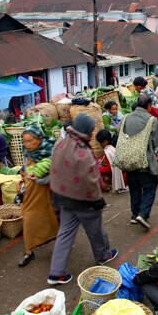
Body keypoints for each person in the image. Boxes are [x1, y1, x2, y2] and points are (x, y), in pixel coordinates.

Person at [48, 114, 117, 284]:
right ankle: (103, 255)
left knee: (65, 232)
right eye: (91, 130)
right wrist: (98, 198)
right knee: (95, 230)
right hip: (84, 202)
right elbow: (93, 181)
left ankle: (56, 273)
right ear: (86, 131)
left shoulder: (60, 143)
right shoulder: (84, 153)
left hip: (63, 197)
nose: (93, 134)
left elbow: (54, 168)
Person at [18, 125, 59, 267]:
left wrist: (40, 180)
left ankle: (57, 240)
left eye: (31, 141)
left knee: (50, 215)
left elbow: (57, 174)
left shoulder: (51, 150)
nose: (27, 145)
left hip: (48, 190)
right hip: (31, 191)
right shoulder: (27, 152)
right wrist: (24, 178)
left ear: (40, 138)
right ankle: (29, 250)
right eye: (25, 141)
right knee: (28, 216)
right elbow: (26, 168)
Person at [123, 95, 158, 229]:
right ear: (149, 106)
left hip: (128, 160)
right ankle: (143, 214)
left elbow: (119, 137)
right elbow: (156, 143)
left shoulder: (126, 118)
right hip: (145, 161)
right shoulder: (152, 120)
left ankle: (134, 215)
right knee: (150, 186)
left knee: (134, 187)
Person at [96, 129, 127, 193]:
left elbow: (109, 169)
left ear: (106, 142)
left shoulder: (108, 151)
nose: (100, 144)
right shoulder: (112, 149)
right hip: (123, 176)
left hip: (121, 179)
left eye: (101, 142)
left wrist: (98, 169)